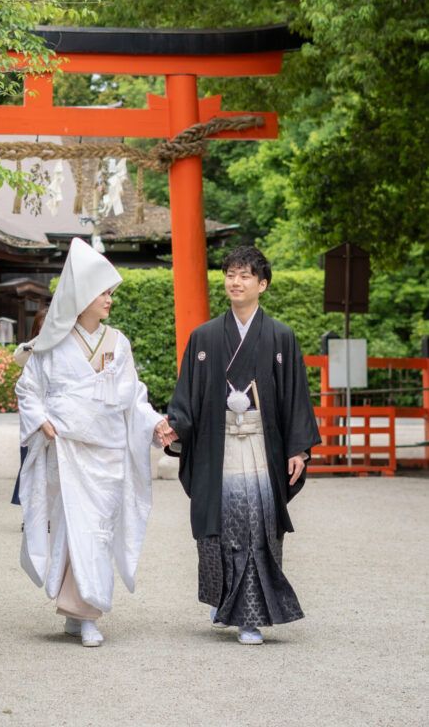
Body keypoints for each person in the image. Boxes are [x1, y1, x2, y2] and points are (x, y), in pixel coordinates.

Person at [15, 237, 173, 647]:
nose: (109, 300)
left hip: (107, 451)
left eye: (110, 292)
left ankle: (85, 607)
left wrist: (155, 424)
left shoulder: (118, 343)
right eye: (103, 292)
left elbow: (133, 397)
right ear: (82, 296)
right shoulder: (52, 344)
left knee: (99, 529)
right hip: (67, 449)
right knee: (74, 528)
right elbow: (27, 388)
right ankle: (84, 612)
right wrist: (42, 421)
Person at [165, 245, 321, 645]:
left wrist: (297, 449)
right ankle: (222, 598)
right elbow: (188, 396)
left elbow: (295, 398)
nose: (235, 281)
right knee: (218, 527)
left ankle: (250, 615)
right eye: (231, 274)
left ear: (262, 284)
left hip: (260, 446)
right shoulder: (204, 337)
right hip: (218, 448)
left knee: (256, 527)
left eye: (245, 275)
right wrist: (173, 426)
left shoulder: (281, 337)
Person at [11, 308, 48, 508]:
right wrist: (36, 343)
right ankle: (28, 509)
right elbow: (18, 358)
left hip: (55, 413)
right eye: (43, 328)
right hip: (33, 413)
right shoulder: (28, 349)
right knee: (29, 460)